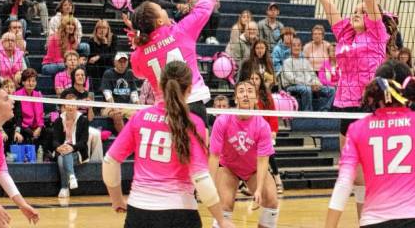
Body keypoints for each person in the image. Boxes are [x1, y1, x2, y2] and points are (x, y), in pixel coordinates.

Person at [300, 0, 390, 216]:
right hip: (345, 105)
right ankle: (365, 218)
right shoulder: (344, 34)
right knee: (349, 166)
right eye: (354, 11)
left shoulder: (377, 33)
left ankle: (380, 213)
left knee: (373, 164)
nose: (356, 12)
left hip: (371, 104)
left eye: (361, 12)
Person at [325, 61, 415, 228]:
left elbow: (344, 183)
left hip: (374, 221)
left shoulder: (358, 129)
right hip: (414, 220)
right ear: (409, 87)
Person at [103, 61, 234, 228]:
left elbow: (110, 161)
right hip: (179, 213)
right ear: (190, 90)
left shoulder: (140, 117)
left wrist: (117, 200)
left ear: (159, 85)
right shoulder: (192, 123)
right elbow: (201, 178)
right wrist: (221, 220)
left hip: (139, 213)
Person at [131, 0, 217, 126]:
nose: (163, 9)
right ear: (160, 20)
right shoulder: (181, 31)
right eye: (160, 8)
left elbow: (138, 74)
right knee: (196, 154)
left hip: (164, 112)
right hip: (192, 104)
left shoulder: (138, 55)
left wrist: (139, 43)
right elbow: (207, 1)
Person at [209, 80, 278, 227]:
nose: (245, 94)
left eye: (250, 91)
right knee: (225, 205)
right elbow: (214, 156)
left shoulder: (262, 126)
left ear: (256, 99)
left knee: (271, 202)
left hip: (253, 169)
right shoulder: (222, 121)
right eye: (241, 91)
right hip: (229, 168)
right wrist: (210, 184)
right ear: (235, 98)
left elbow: (263, 161)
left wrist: (258, 190)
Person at [0, 88, 40, 225]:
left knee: (0, 224)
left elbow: (1, 172)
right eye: (6, 99)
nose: (13, 101)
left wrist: (22, 205)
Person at [249, 72, 283, 194]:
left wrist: (274, 130)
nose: (254, 81)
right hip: (251, 131)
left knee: (269, 155)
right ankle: (249, 184)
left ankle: (277, 179)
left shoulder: (267, 96)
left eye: (256, 78)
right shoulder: (247, 96)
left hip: (265, 130)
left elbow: (273, 115)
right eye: (252, 78)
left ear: (260, 81)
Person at [280, 37, 335, 112]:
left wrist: (317, 83)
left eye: (298, 45)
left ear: (301, 47)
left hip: (309, 85)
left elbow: (313, 75)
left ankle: (324, 110)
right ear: (290, 47)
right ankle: (307, 112)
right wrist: (309, 84)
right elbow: (292, 79)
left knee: (331, 90)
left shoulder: (306, 61)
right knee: (306, 89)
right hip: (291, 86)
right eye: (294, 45)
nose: (296, 47)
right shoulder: (287, 62)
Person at [52, 91, 89, 199]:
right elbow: (54, 140)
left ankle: (64, 187)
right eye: (68, 104)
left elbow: (83, 142)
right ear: (64, 105)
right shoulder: (59, 120)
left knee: (64, 155)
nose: (70, 107)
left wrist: (72, 147)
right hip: (62, 150)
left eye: (73, 104)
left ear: (76, 106)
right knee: (62, 156)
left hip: (78, 151)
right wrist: (58, 147)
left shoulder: (83, 120)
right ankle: (71, 177)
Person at [101, 53, 140, 135]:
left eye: (124, 62)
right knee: (117, 115)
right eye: (120, 62)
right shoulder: (108, 73)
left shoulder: (129, 73)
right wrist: (115, 108)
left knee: (139, 115)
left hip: (126, 106)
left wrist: (138, 106)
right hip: (109, 106)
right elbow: (107, 94)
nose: (122, 64)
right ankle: (124, 138)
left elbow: (134, 93)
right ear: (115, 62)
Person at [13, 69, 47, 149]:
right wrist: (32, 132)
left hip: (36, 126)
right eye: (28, 81)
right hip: (23, 126)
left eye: (33, 81)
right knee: (27, 133)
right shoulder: (17, 95)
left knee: (48, 132)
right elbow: (17, 117)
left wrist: (39, 127)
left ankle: (46, 155)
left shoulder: (38, 94)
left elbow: (41, 114)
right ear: (23, 82)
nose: (31, 83)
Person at [86, 19, 118, 89]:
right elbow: (92, 57)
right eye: (99, 28)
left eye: (104, 28)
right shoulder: (91, 40)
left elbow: (112, 54)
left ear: (108, 29)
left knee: (108, 65)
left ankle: (107, 88)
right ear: (96, 29)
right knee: (94, 66)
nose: (102, 30)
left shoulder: (113, 38)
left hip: (108, 63)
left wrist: (105, 44)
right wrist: (104, 49)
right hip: (97, 65)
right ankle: (97, 88)